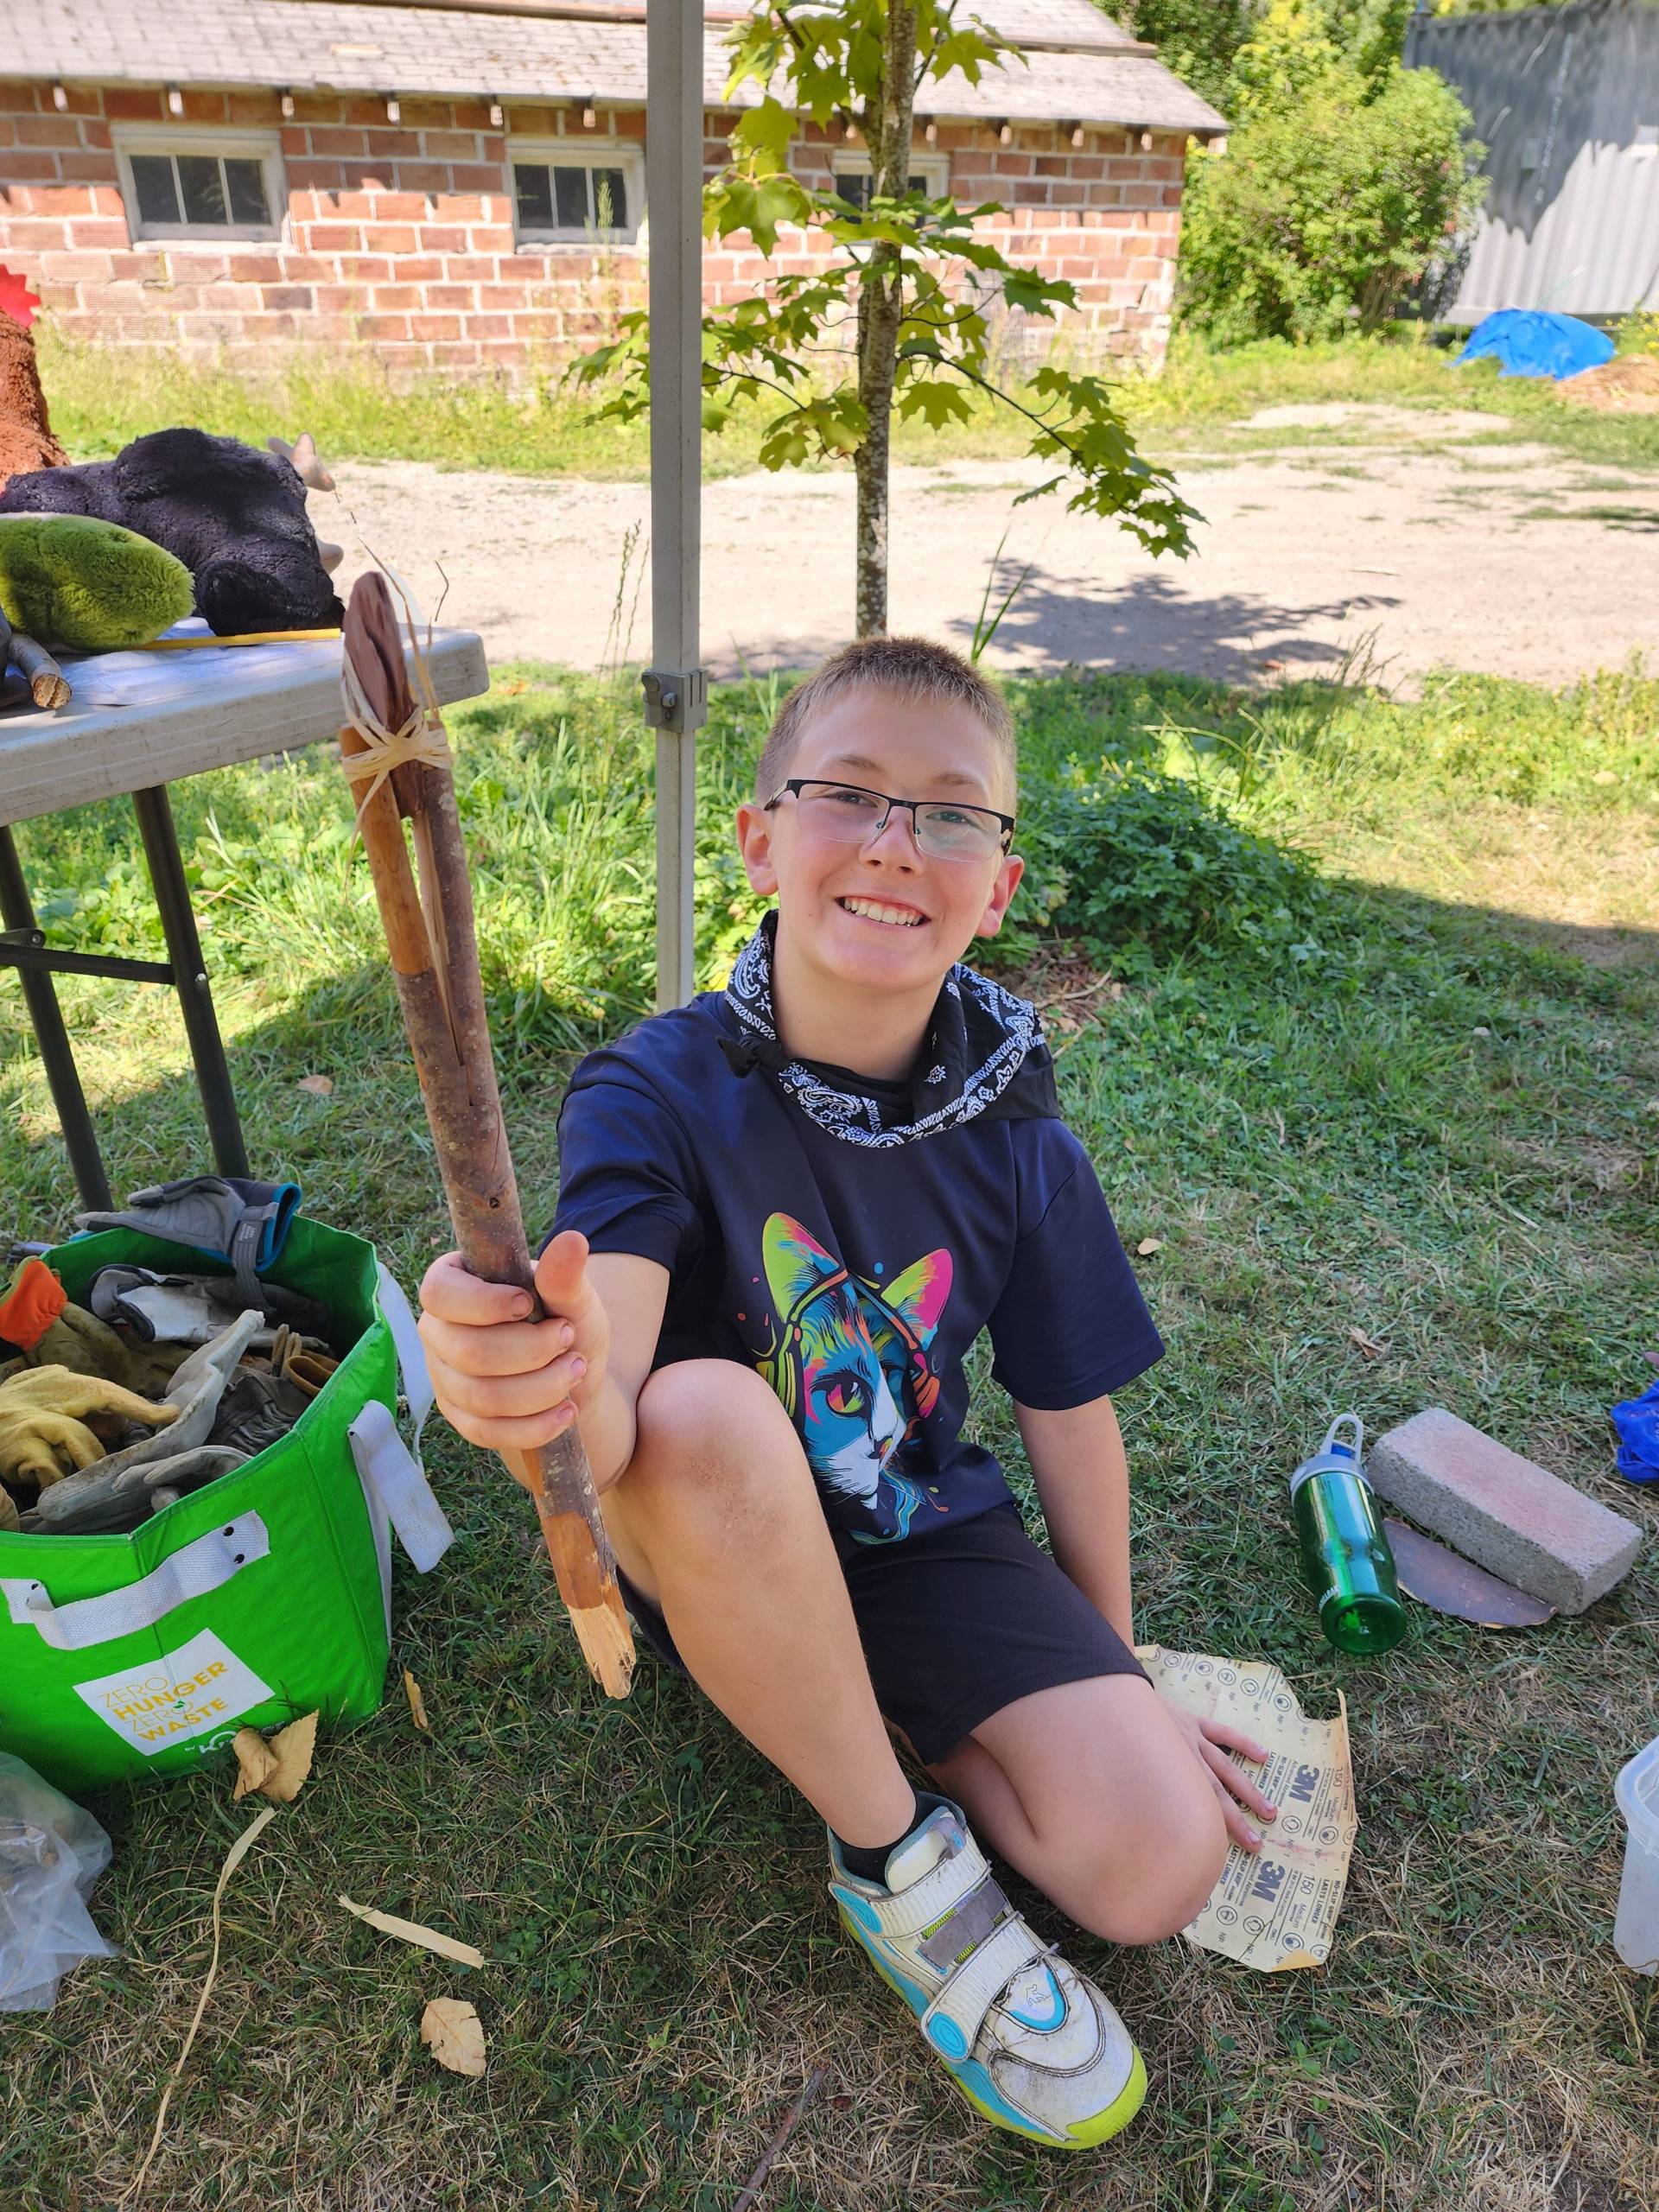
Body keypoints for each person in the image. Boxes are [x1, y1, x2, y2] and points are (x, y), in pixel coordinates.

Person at [417, 636, 1278, 2152]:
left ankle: (866, 1716)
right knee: (707, 1409)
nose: (898, 842)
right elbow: (607, 1418)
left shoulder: (1019, 1133)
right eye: (850, 795)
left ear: (997, 886)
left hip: (918, 1535)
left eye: (954, 814)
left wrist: (1115, 1660)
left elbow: (1071, 1413)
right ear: (759, 837)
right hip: (708, 1528)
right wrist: (532, 1379)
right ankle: (897, 1860)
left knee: (1159, 1869)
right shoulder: (653, 1090)